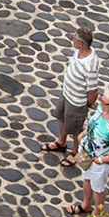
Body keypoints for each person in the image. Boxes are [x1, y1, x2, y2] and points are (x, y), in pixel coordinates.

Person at [41, 24, 102, 166]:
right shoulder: (78, 52)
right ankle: (61, 142)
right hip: (67, 93)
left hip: (76, 101)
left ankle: (75, 152)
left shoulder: (90, 64)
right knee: (61, 118)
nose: (72, 40)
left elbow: (93, 90)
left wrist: (87, 103)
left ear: (80, 43)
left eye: (74, 39)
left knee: (75, 129)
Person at [70, 88, 109, 217]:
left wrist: (100, 160)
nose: (100, 104)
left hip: (100, 162)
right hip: (86, 152)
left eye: (105, 103)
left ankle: (97, 214)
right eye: (101, 100)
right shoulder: (101, 110)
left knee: (98, 189)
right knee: (86, 179)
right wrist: (82, 136)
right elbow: (93, 124)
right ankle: (86, 205)